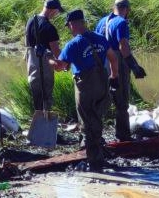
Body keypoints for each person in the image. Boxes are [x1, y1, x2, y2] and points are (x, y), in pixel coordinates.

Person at [51, 9, 121, 171]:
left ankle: (95, 162)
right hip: (103, 84)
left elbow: (60, 67)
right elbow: (113, 57)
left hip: (85, 87)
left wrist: (50, 60)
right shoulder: (100, 38)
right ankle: (99, 154)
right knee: (97, 118)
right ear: (83, 22)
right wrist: (114, 76)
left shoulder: (73, 44)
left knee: (88, 124)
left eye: (68, 26)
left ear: (71, 25)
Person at [95, 0, 147, 142]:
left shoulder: (102, 22)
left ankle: (95, 135)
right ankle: (123, 135)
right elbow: (123, 46)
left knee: (103, 99)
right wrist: (134, 66)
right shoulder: (122, 22)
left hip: (102, 62)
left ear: (114, 7)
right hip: (117, 62)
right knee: (121, 101)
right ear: (127, 10)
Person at [25, 0, 63, 124]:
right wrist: (65, 64)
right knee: (46, 99)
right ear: (52, 10)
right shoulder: (49, 27)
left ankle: (38, 126)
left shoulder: (31, 20)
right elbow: (56, 51)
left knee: (37, 100)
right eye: (57, 11)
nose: (57, 14)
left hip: (31, 67)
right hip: (44, 68)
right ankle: (45, 127)